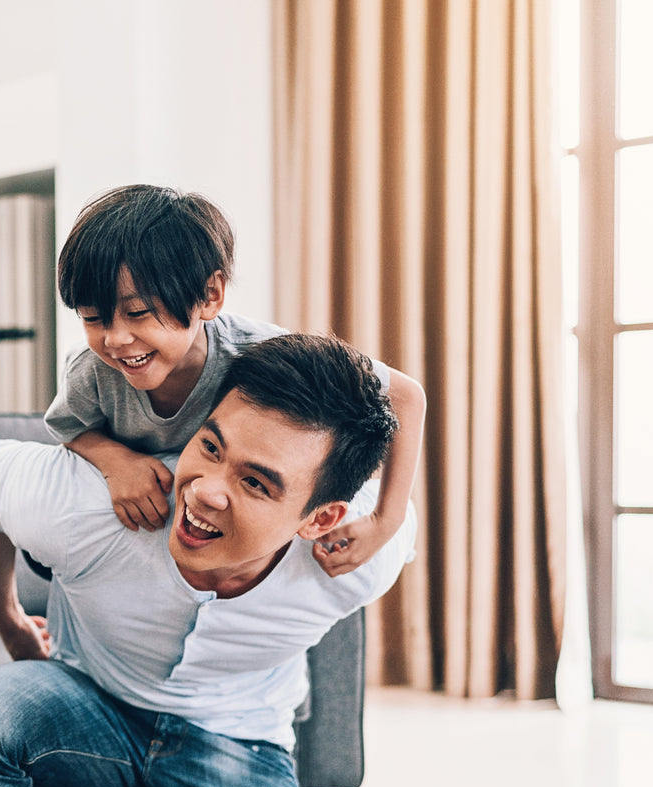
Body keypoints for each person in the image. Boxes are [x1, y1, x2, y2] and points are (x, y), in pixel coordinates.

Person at [0, 333, 416, 787]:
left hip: (235, 738)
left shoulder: (361, 555)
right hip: (91, 708)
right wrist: (9, 615)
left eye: (257, 484)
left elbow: (400, 454)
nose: (207, 490)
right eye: (209, 447)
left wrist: (388, 520)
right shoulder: (86, 506)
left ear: (319, 519)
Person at [46, 184, 425, 578]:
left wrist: (387, 520)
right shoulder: (90, 368)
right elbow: (69, 426)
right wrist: (117, 463)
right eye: (92, 318)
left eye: (138, 312)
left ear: (210, 295)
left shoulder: (259, 353)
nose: (115, 339)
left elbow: (406, 396)